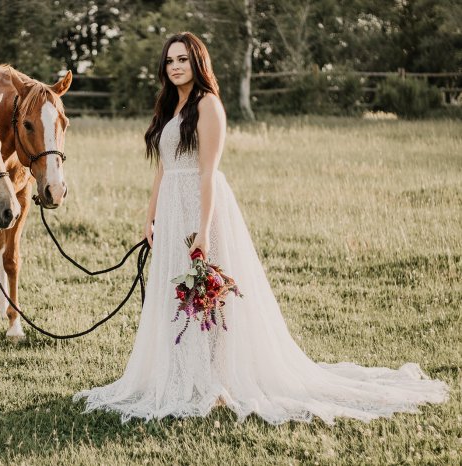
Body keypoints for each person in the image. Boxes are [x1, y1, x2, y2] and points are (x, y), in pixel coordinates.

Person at [74, 32, 449, 424]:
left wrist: (202, 229)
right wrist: (150, 214)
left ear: (197, 62)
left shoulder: (208, 105)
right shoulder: (171, 105)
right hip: (171, 206)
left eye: (182, 59)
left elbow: (207, 171)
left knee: (205, 295)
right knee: (175, 292)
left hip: (200, 207)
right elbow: (164, 167)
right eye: (170, 61)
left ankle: (216, 375)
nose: (175, 67)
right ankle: (183, 371)